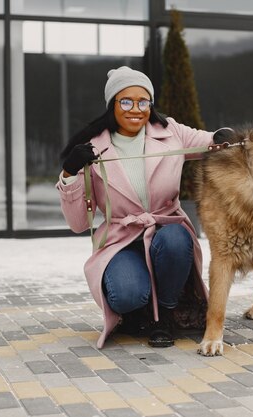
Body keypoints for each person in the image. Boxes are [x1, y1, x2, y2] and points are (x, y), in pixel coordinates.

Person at [56, 66, 233, 349]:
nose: (135, 109)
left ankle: (164, 314)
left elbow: (208, 142)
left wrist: (222, 138)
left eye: (143, 102)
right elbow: (78, 223)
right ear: (112, 104)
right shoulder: (91, 149)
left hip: (166, 232)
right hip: (121, 240)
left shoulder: (170, 131)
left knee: (175, 239)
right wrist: (70, 173)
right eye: (126, 101)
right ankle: (136, 309)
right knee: (127, 293)